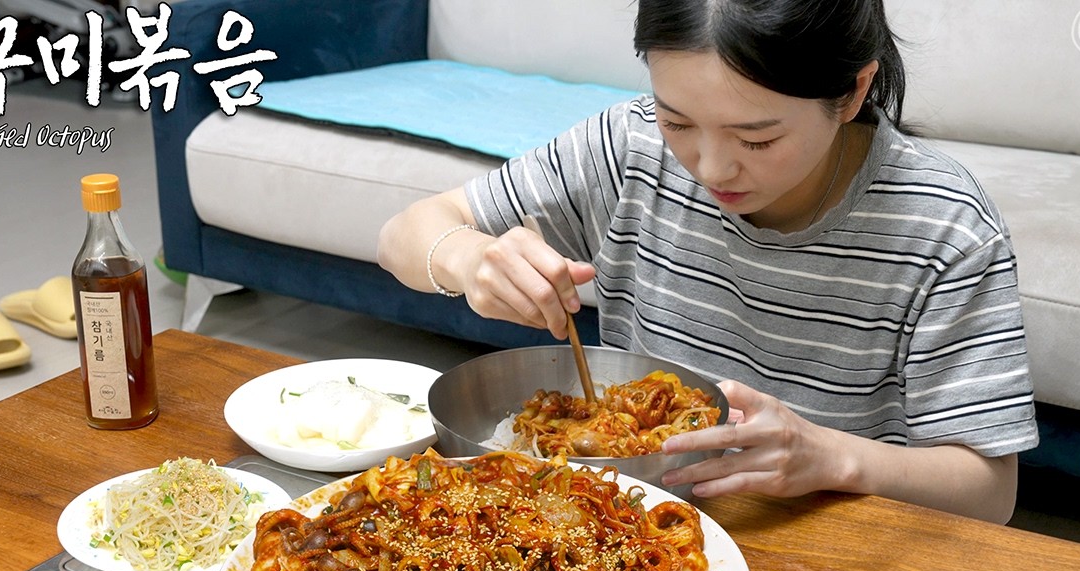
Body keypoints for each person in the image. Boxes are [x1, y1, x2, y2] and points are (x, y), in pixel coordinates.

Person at [377, 0, 1038, 524]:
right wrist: (468, 258)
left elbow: (989, 492)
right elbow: (405, 235)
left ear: (852, 91)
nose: (711, 168)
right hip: (624, 523)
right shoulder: (629, 145)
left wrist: (831, 456)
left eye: (758, 137)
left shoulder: (945, 226)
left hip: (824, 542)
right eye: (679, 120)